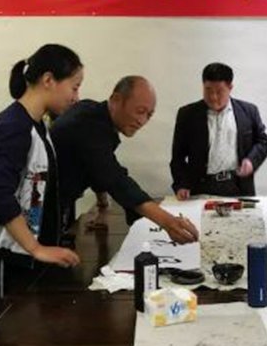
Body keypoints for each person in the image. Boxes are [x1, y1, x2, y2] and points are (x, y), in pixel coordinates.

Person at [0, 44, 82, 313]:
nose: (76, 97)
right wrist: (36, 248)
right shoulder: (14, 126)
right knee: (9, 331)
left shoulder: (36, 124)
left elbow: (18, 184)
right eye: (74, 87)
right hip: (3, 258)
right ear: (48, 80)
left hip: (19, 254)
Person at [52, 75, 199, 243]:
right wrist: (168, 222)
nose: (142, 121)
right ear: (116, 100)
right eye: (140, 111)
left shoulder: (93, 112)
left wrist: (102, 207)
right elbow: (114, 178)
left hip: (59, 200)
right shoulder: (88, 124)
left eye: (149, 115)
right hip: (45, 204)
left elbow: (96, 167)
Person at [170, 62, 267, 198]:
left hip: (238, 186)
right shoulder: (187, 114)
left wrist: (251, 161)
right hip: (200, 187)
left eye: (219, 91)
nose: (213, 96)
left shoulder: (249, 111)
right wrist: (181, 184)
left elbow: (262, 142)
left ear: (230, 88)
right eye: (208, 90)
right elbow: (178, 156)